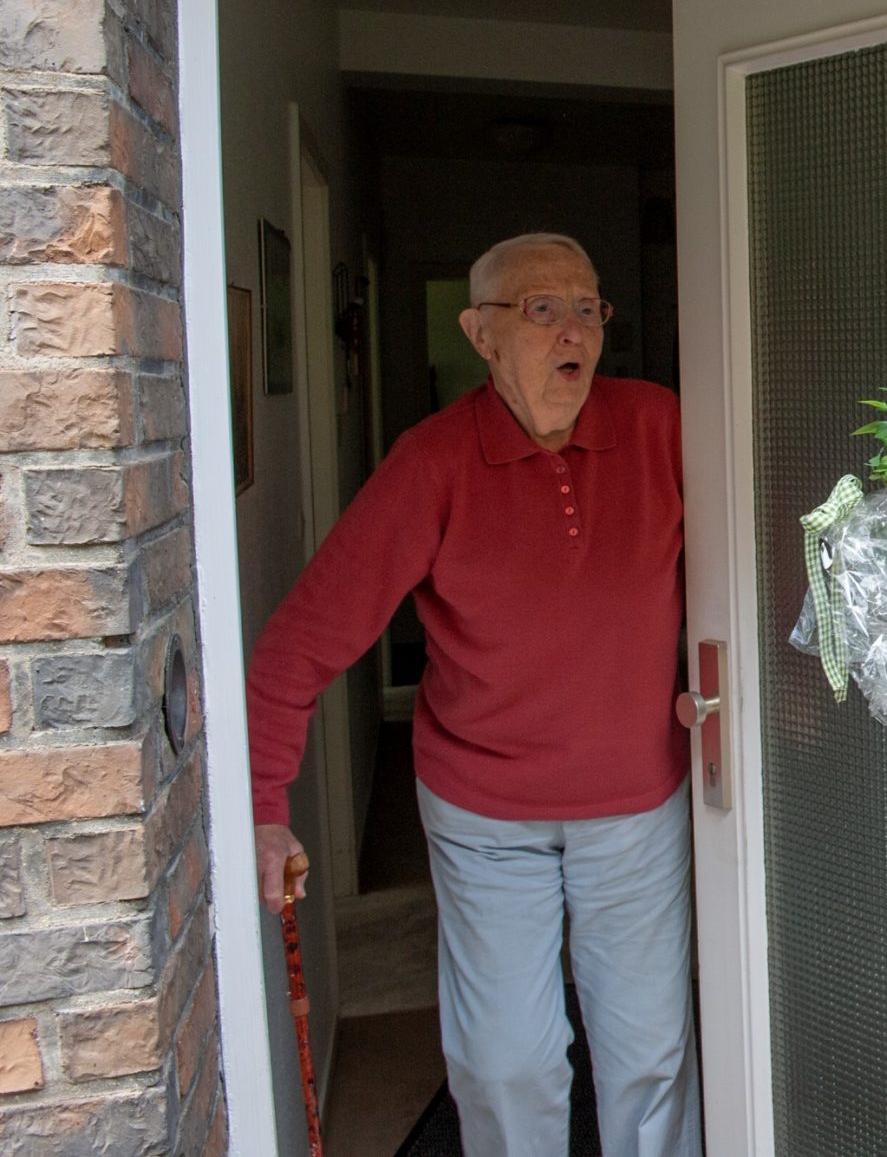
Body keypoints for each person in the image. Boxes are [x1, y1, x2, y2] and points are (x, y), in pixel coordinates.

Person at [245, 233, 700, 1157]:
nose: (572, 328)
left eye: (588, 307)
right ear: (480, 334)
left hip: (637, 804)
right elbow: (300, 641)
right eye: (541, 309)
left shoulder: (662, 426)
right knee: (507, 1063)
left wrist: (756, 689)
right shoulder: (432, 463)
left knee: (650, 1052)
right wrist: (262, 807)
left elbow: (764, 538)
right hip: (485, 814)